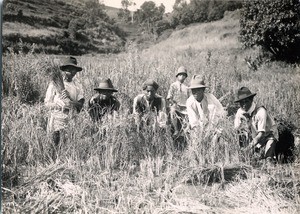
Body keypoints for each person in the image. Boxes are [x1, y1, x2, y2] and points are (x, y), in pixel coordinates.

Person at [45, 56, 84, 158]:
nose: (72, 72)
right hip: (57, 118)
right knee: (55, 144)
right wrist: (59, 105)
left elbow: (80, 105)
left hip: (71, 118)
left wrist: (70, 101)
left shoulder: (77, 84)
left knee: (68, 143)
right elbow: (47, 104)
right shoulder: (55, 84)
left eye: (74, 69)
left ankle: (66, 163)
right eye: (69, 69)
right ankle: (53, 162)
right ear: (64, 70)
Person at [234, 87, 278, 165]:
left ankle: (270, 158)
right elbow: (237, 130)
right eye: (241, 102)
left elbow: (261, 133)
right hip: (255, 135)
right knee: (249, 157)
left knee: (268, 159)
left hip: (268, 133)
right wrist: (241, 148)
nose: (243, 105)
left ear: (251, 100)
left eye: (246, 101)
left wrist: (250, 146)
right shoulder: (240, 112)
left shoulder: (260, 111)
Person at [167, 66, 190, 137]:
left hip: (184, 108)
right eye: (180, 74)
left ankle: (185, 131)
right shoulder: (173, 85)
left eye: (184, 75)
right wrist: (174, 103)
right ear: (177, 76)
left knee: (189, 115)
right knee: (173, 110)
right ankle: (176, 130)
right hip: (176, 106)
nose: (182, 76)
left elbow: (189, 100)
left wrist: (186, 107)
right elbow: (169, 97)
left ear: (185, 77)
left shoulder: (186, 88)